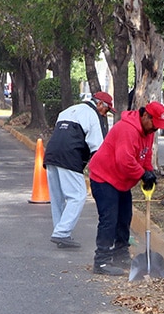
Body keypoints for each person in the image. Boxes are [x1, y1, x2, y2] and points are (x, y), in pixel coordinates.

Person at [86, 100, 164, 274]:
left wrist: (149, 173)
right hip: (103, 177)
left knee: (124, 217)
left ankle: (120, 255)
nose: (155, 128)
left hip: (121, 181)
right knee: (109, 219)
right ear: (145, 116)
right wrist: (142, 174)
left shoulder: (149, 131)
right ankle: (101, 261)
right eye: (154, 123)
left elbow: (146, 155)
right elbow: (125, 161)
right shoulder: (127, 129)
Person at [42, 91, 116, 248]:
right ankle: (61, 233)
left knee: (58, 198)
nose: (105, 114)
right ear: (99, 104)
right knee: (78, 195)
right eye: (107, 109)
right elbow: (97, 148)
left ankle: (60, 232)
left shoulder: (68, 110)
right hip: (70, 157)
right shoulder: (93, 116)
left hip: (51, 155)